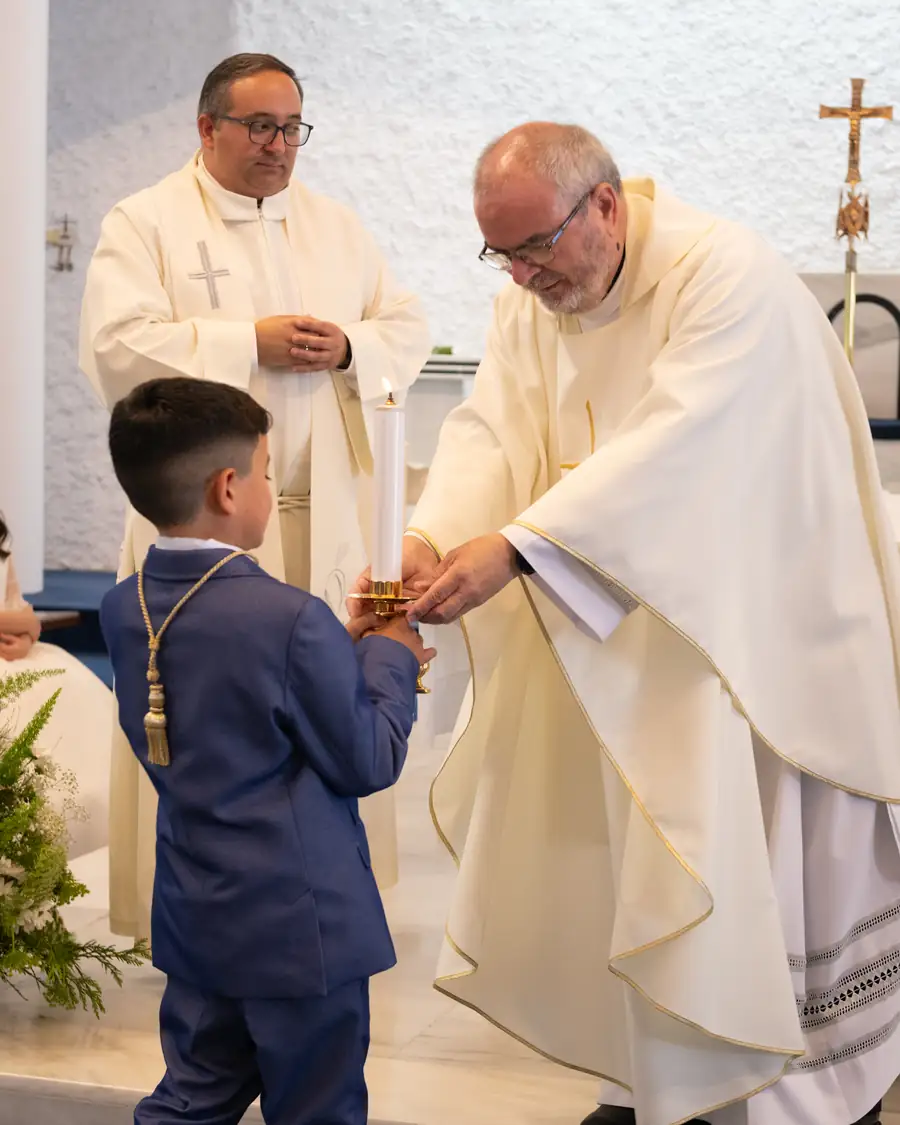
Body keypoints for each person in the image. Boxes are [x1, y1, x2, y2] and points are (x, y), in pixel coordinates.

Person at [356, 123, 900, 1125]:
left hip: (757, 643)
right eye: (500, 254)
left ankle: (794, 1094)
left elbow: (684, 443)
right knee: (640, 856)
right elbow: (492, 430)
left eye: (535, 247)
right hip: (626, 629)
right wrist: (429, 537)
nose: (522, 278)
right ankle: (660, 1075)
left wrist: (517, 548)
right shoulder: (533, 301)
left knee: (761, 867)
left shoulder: (723, 275)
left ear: (604, 205)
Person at [79, 51, 431, 940]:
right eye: (261, 127)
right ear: (208, 128)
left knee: (325, 699)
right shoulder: (146, 222)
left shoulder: (335, 225)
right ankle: (204, 915)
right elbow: (116, 348)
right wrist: (247, 343)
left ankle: (324, 891)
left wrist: (348, 347)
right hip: (212, 520)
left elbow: (405, 324)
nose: (279, 146)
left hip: (327, 514)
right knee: (221, 717)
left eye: (292, 128)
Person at [100, 377, 434, 1125]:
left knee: (192, 1101)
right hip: (298, 931)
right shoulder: (290, 617)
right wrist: (392, 655)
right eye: (266, 472)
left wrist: (334, 654)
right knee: (316, 1109)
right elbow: (368, 759)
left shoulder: (125, 605)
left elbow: (222, 707)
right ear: (228, 487)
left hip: (197, 914)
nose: (269, 489)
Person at [0, 514, 113, 859]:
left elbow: (26, 614)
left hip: (14, 651)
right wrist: (17, 624)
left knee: (69, 689)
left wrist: (24, 637)